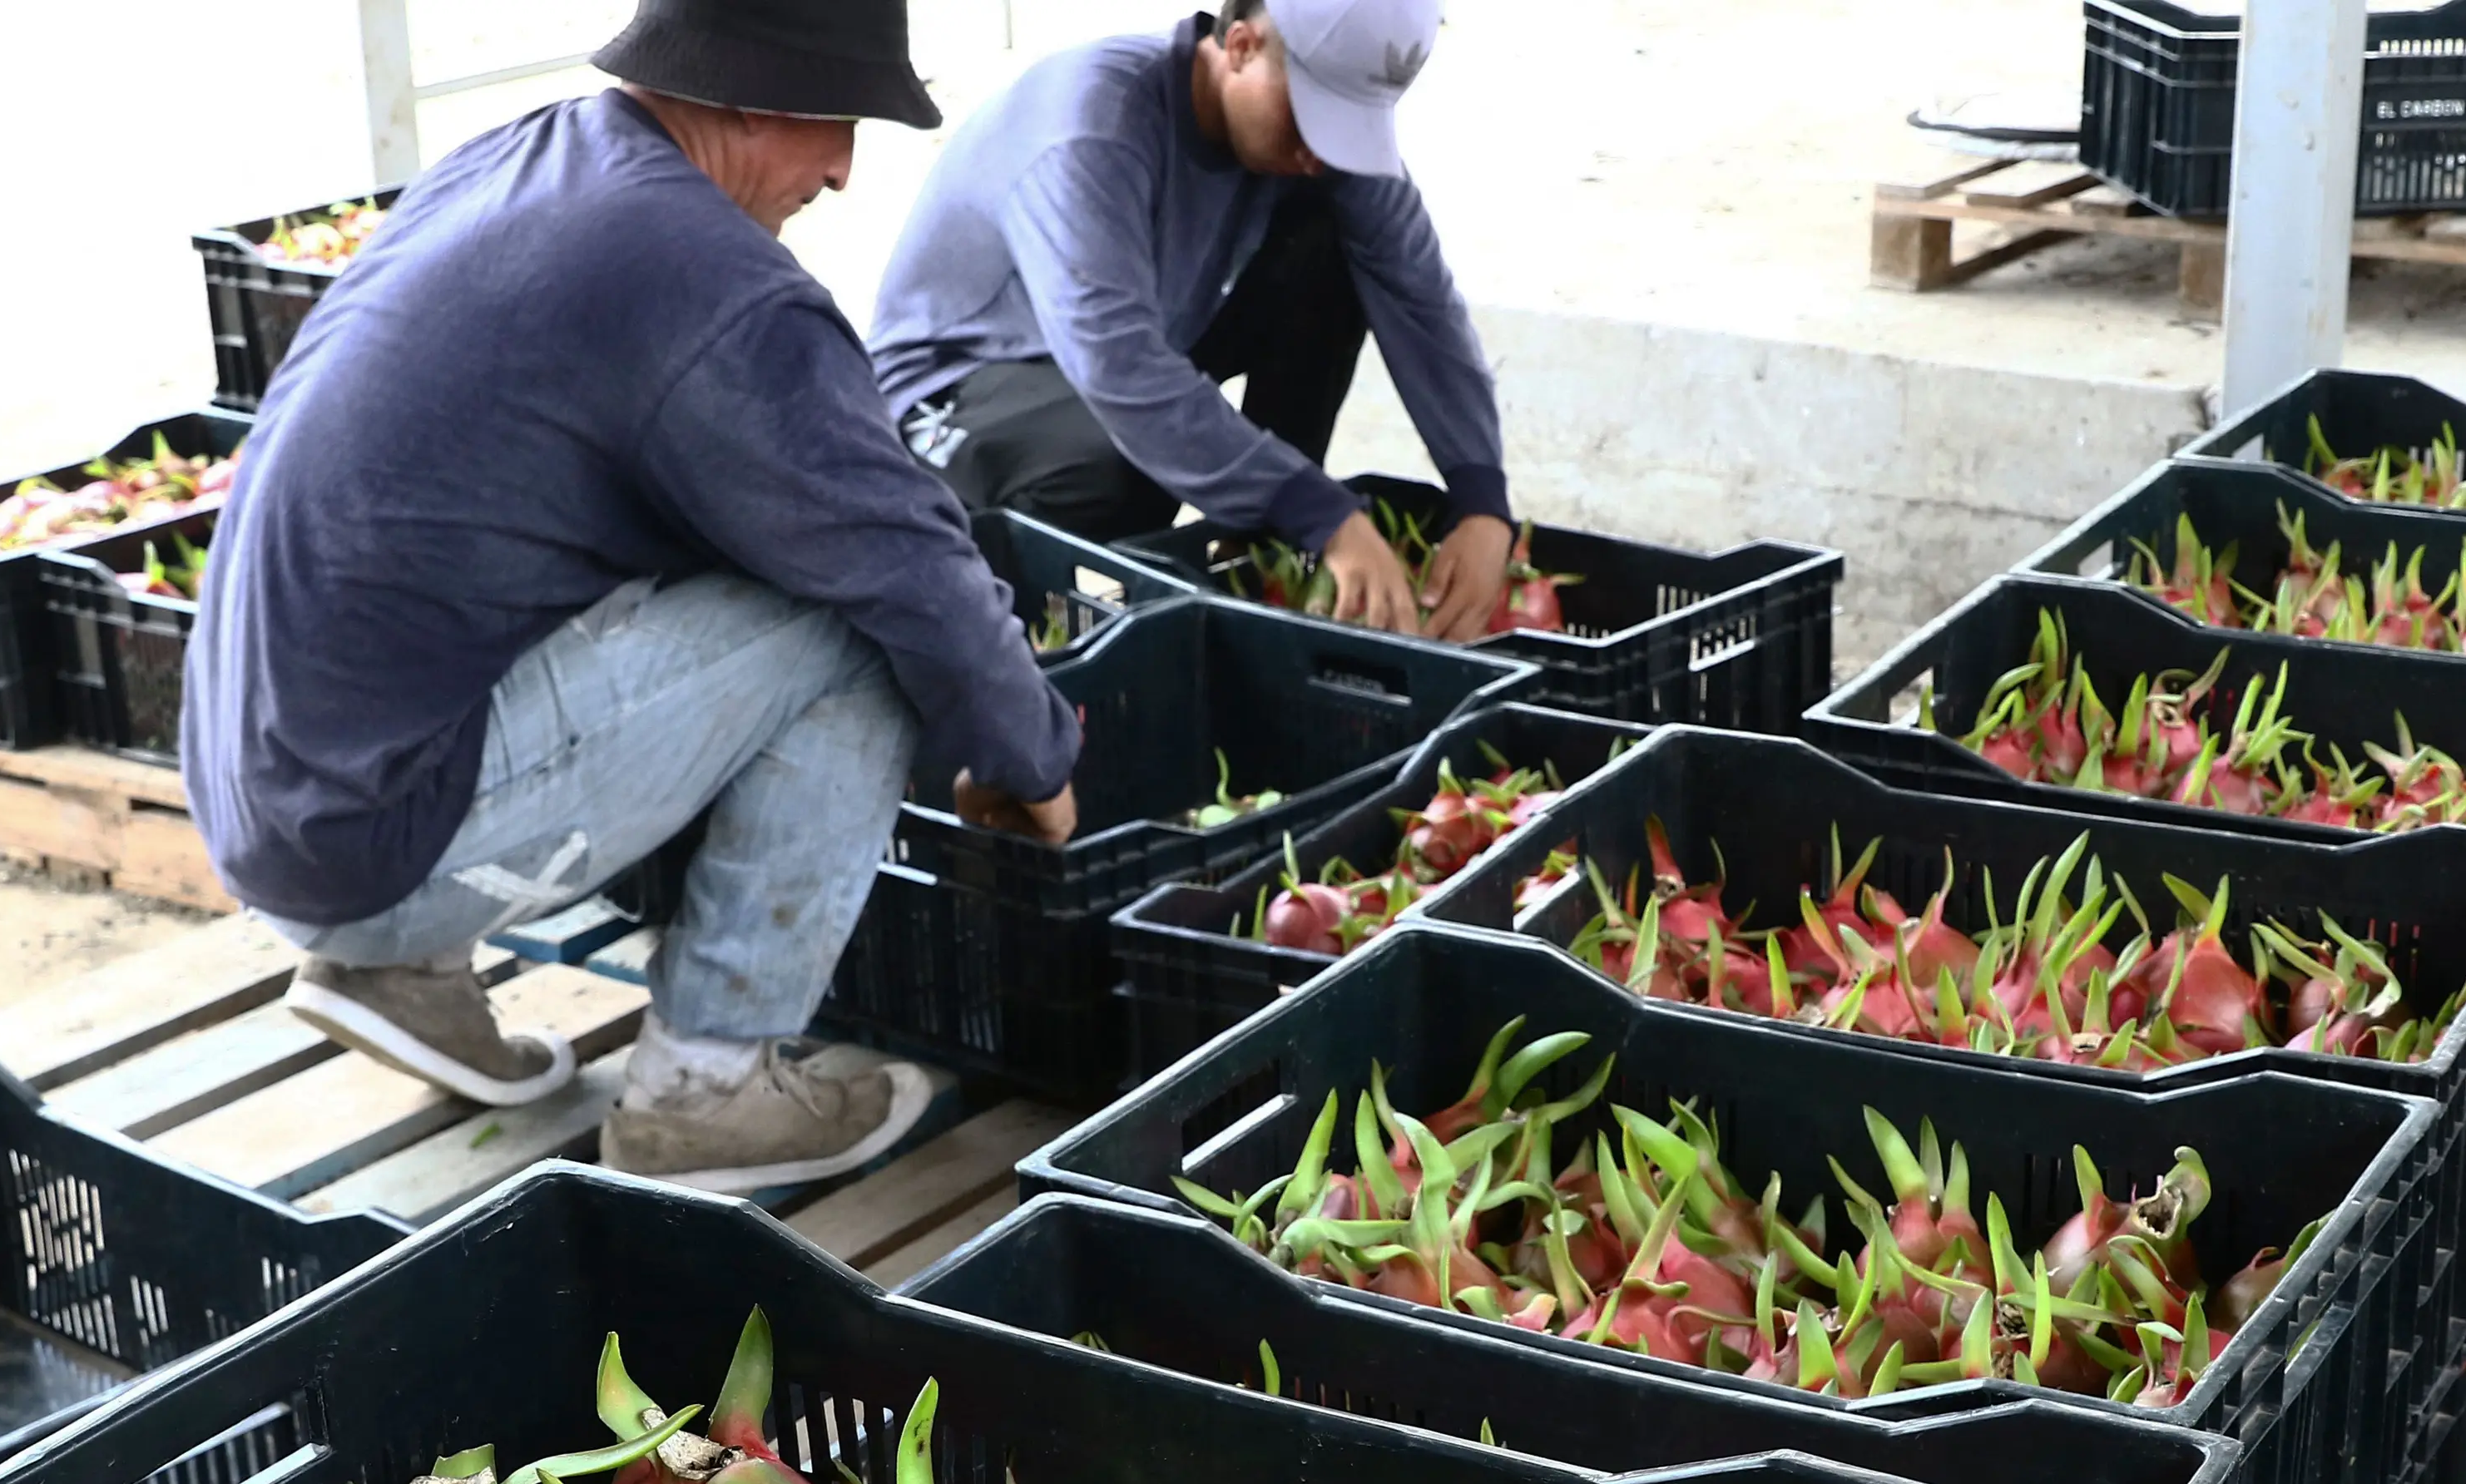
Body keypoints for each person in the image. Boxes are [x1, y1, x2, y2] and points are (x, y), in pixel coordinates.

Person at [181, 0, 1080, 1195]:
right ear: (752, 92)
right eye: (838, 123)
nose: (846, 171)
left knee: (737, 535)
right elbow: (912, 558)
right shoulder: (709, 285)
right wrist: (1035, 756)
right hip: (377, 833)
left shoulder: (526, 159)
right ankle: (706, 1087)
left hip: (271, 804)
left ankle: (403, 973)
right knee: (862, 621)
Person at [868, 0, 1515, 642]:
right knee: (1117, 461)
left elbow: (1420, 298)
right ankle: (1017, 649)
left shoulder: (1309, 146)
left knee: (1334, 249)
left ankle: (1257, 554)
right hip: (956, 395)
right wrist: (1326, 514)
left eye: (1351, 126)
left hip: (1129, 355)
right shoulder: (1091, 127)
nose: (1321, 153)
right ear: (1240, 46)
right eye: (1314, 119)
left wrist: (1482, 500)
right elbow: (1118, 366)